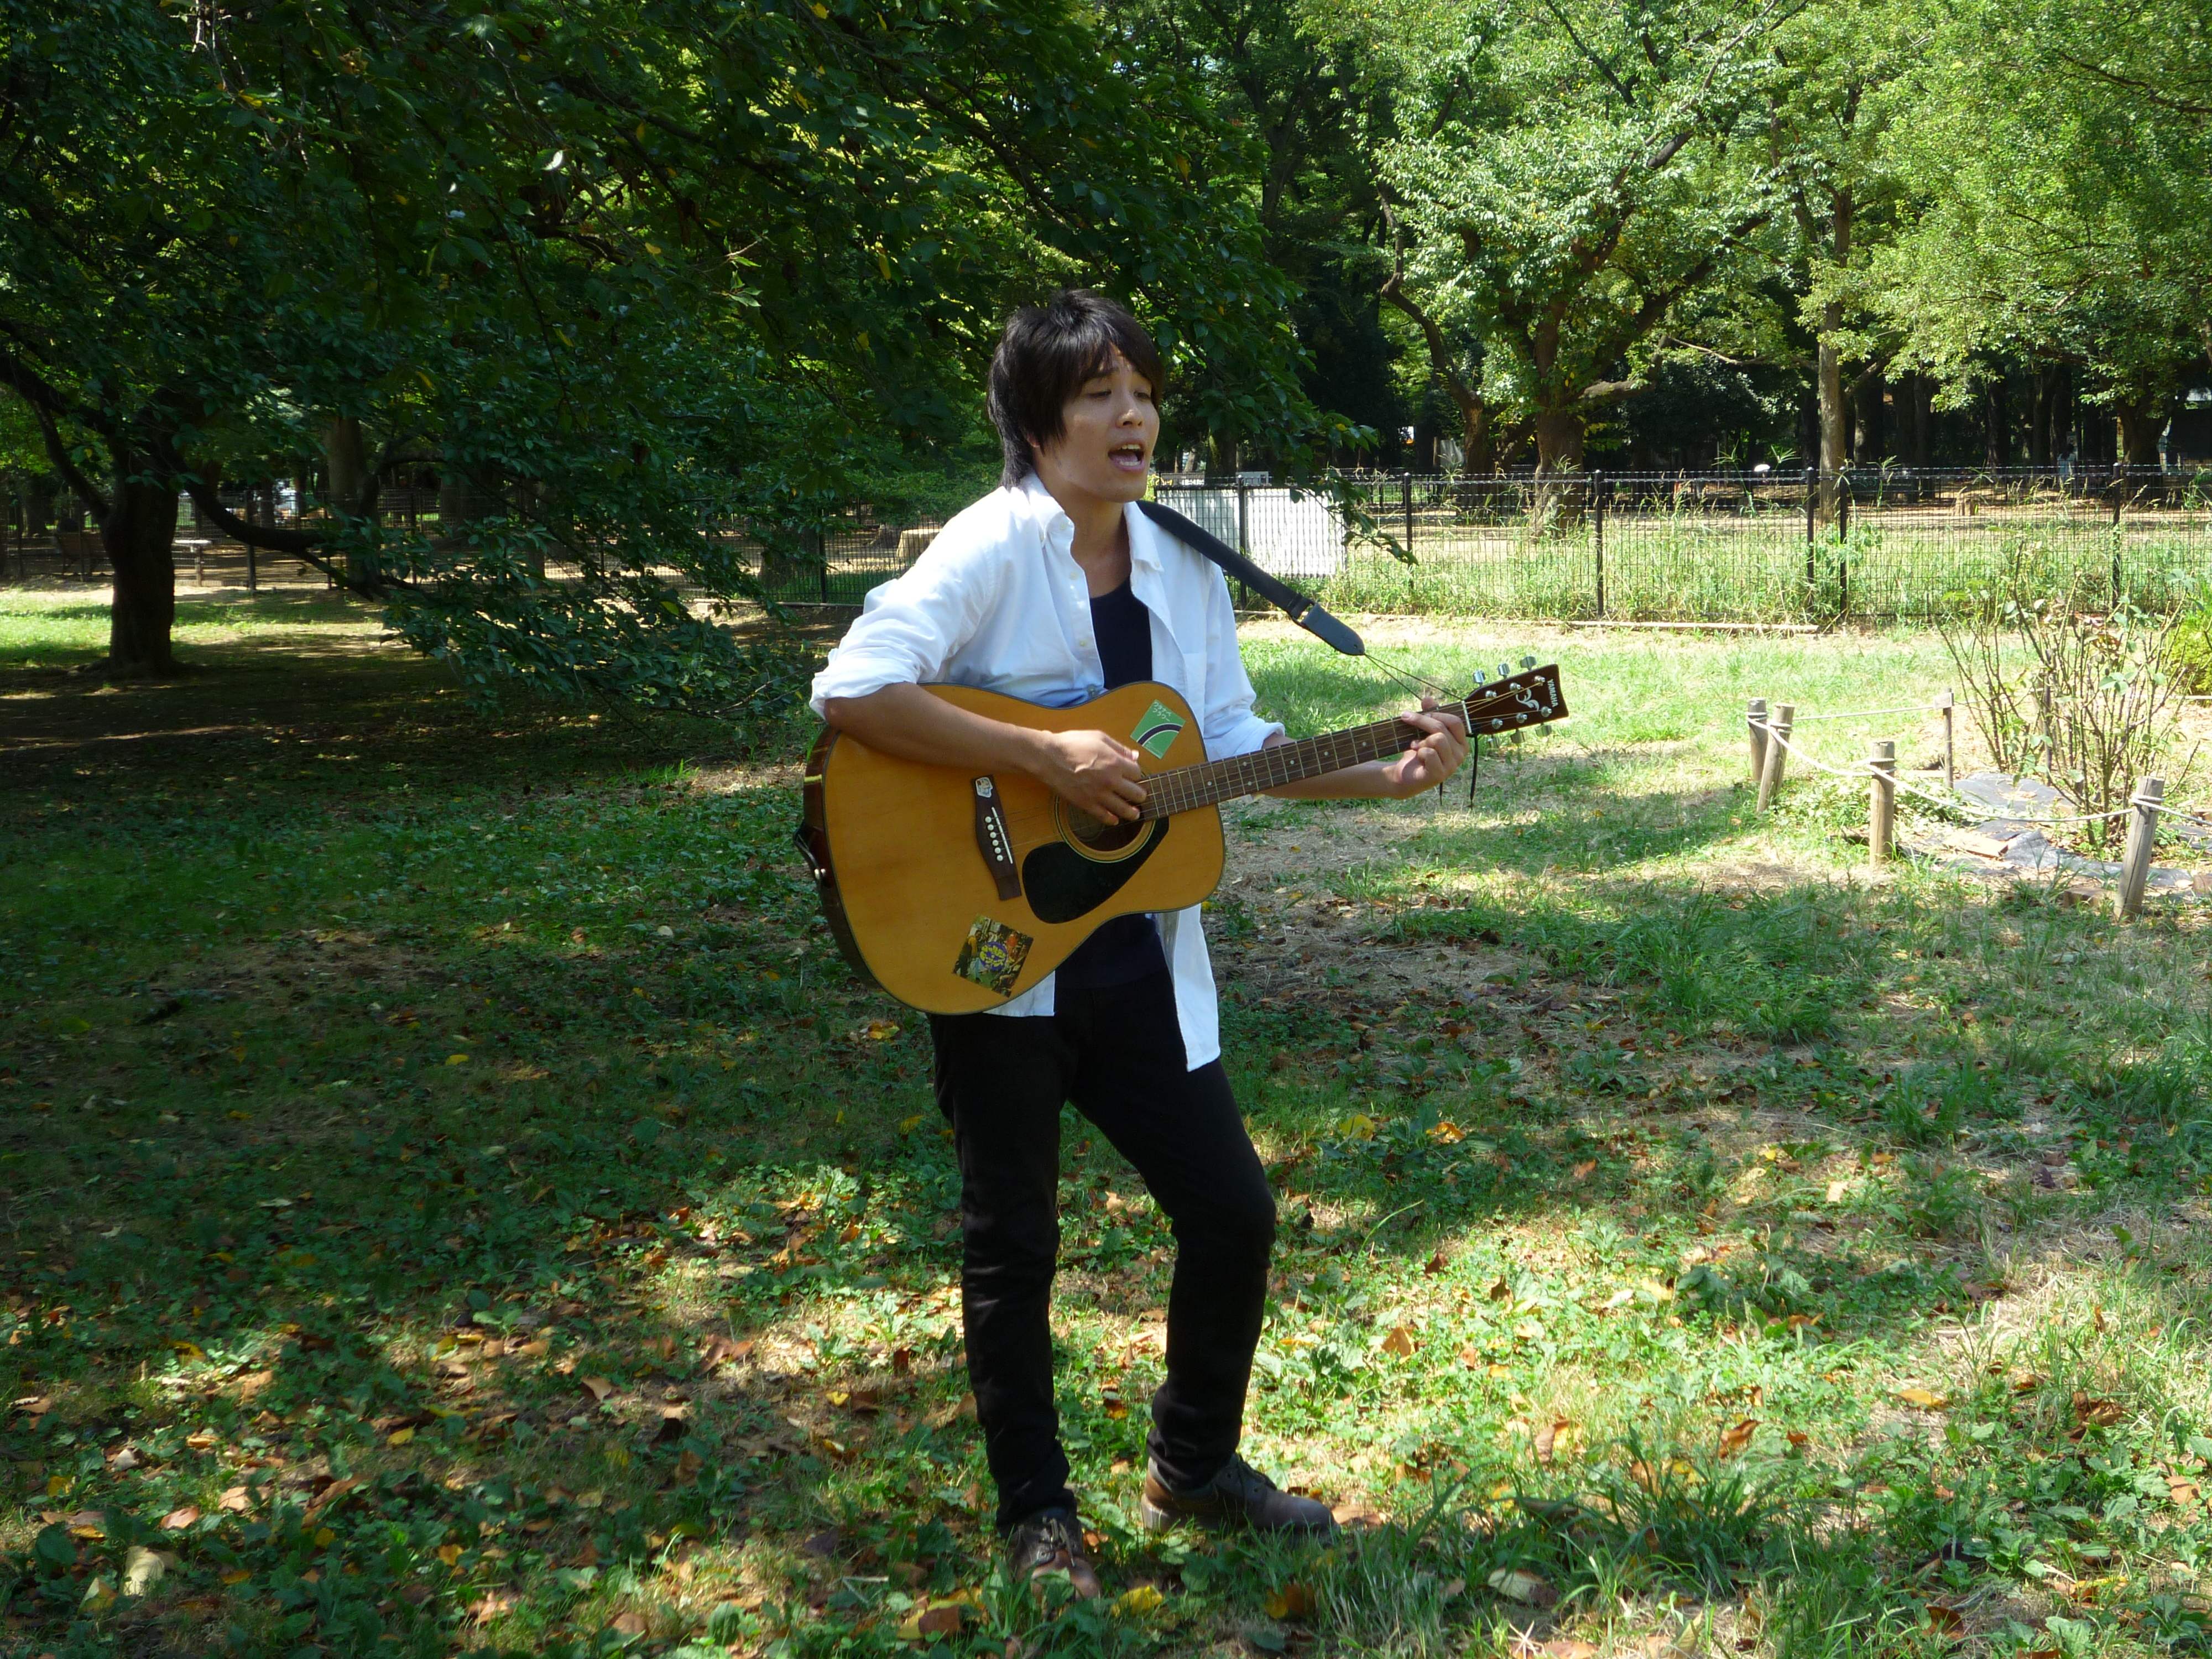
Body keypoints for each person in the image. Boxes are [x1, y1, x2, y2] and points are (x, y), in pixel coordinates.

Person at [810, 290, 1467, 1597]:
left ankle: (1193, 1467)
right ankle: (1037, 1517)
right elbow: (854, 689)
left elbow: (1226, 748)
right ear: (1036, 420)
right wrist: (1041, 753)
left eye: (1143, 393)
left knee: (1231, 1213)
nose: (1132, 417)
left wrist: (1385, 772)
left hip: (1135, 957)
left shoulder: (1182, 563)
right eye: (1099, 393)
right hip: (993, 953)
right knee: (1014, 1242)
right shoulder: (990, 547)